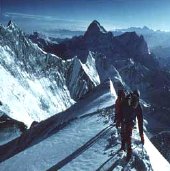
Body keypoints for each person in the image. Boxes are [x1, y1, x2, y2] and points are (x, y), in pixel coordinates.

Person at [115, 90, 144, 161]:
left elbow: (120, 111)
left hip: (123, 120)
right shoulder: (138, 107)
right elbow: (140, 121)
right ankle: (128, 153)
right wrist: (141, 134)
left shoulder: (126, 100)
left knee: (123, 133)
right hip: (130, 122)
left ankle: (123, 147)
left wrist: (118, 120)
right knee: (128, 136)